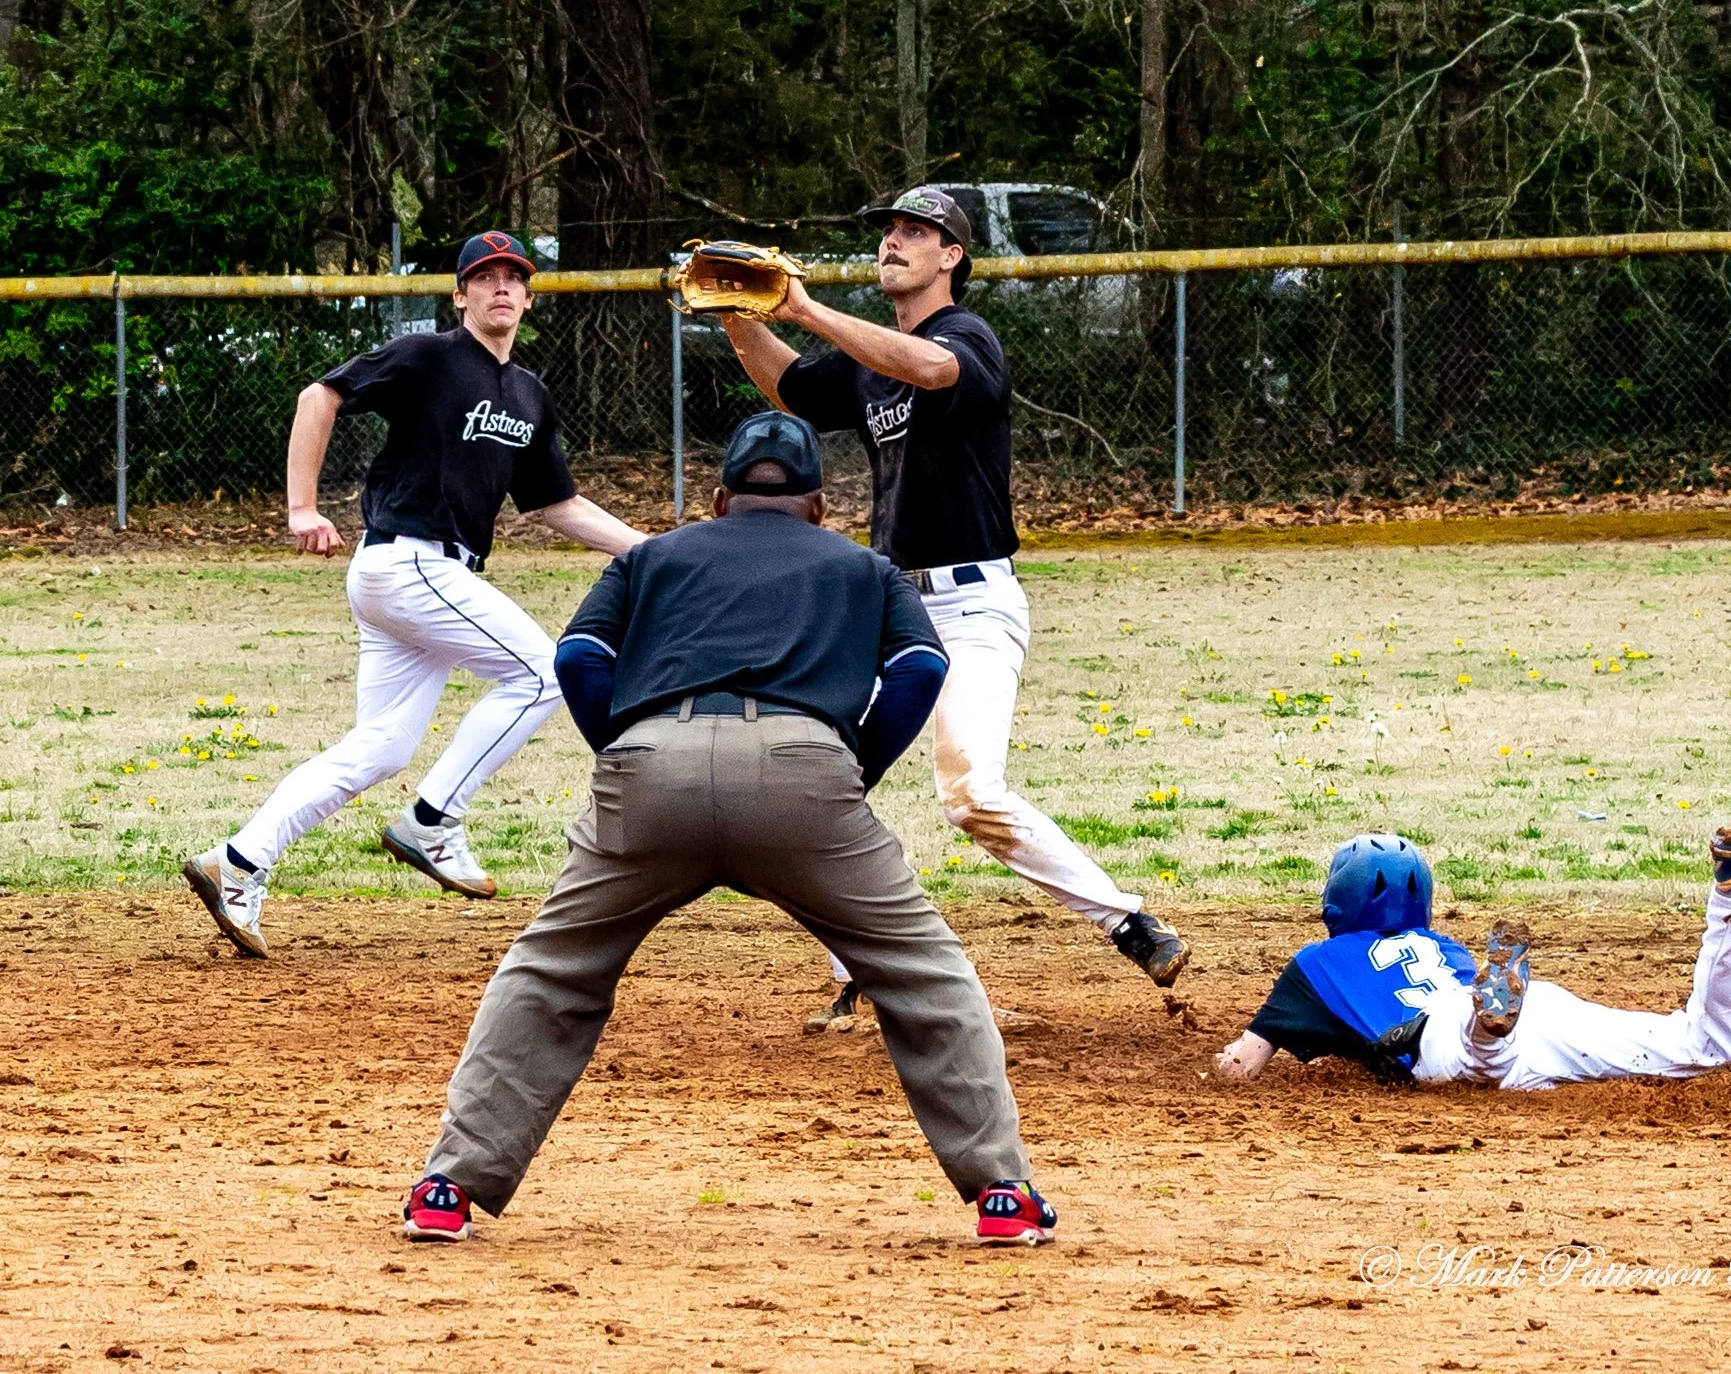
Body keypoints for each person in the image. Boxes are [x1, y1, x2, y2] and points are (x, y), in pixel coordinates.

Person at [399, 412, 1058, 1248]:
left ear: (717, 500)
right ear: (817, 506)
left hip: (649, 767)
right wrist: (852, 767)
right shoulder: (864, 565)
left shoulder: (650, 556)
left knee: (551, 968)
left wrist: (627, 751)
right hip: (803, 771)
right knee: (925, 974)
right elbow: (923, 665)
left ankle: (447, 1187)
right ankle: (1002, 1192)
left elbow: (578, 659)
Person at [717, 186, 1189, 1024]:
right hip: (891, 607)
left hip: (972, 604)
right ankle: (859, 969)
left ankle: (1128, 922)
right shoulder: (871, 355)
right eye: (889, 230)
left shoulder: (965, 336)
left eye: (915, 231)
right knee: (815, 781)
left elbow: (931, 370)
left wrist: (806, 308)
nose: (893, 241)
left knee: (970, 794)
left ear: (951, 256)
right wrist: (731, 314)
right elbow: (792, 390)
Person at [182, 232, 648, 959]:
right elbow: (319, 395)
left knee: (382, 746)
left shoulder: (529, 394)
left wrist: (653, 551)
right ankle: (432, 821)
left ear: (529, 298)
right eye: (484, 276)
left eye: (513, 276)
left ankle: (236, 862)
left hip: (418, 578)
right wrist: (302, 508)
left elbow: (557, 504)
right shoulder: (429, 356)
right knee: (540, 672)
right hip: (410, 562)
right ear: (459, 295)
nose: (500, 286)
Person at [1214, 828, 1731, 1090]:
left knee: (1476, 1061)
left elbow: (1242, 1066)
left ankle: (1487, 1021)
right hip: (1542, 1010)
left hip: (1446, 1038)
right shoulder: (1444, 947)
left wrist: (1215, 1073)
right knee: (1707, 1047)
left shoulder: (1315, 964)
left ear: (1337, 902)